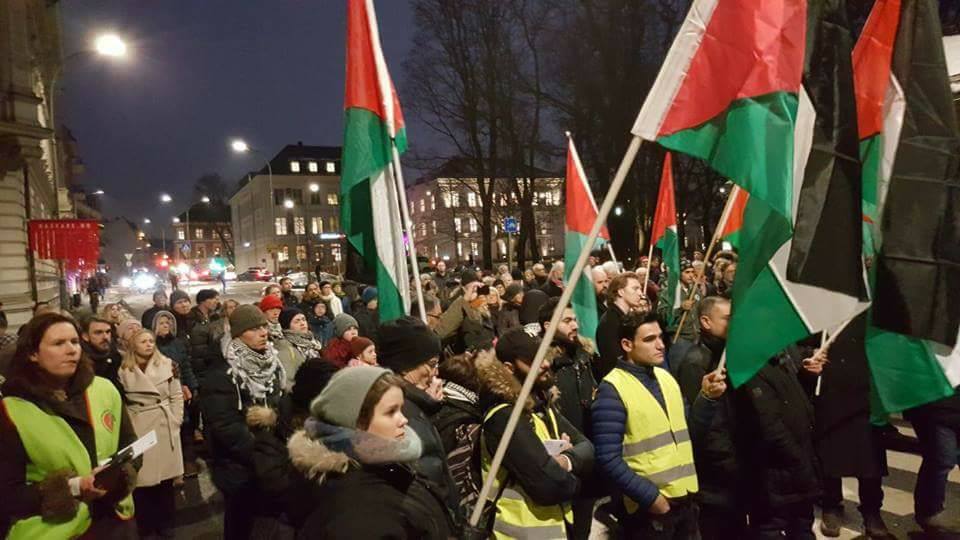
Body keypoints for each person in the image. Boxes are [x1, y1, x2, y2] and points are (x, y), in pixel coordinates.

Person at [0, 313, 138, 539]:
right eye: (58, 343)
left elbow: (130, 444)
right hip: (55, 532)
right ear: (33, 353)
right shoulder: (11, 410)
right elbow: (7, 495)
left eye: (74, 342)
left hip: (116, 524)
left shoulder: (104, 389)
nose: (71, 349)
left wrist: (119, 474)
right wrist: (73, 488)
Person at [591, 311, 725, 539]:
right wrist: (651, 498)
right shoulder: (612, 389)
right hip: (649, 512)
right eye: (649, 339)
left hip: (685, 500)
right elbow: (607, 457)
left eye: (661, 337)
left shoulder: (666, 378)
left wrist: (707, 398)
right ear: (627, 344)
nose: (660, 345)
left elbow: (688, 432)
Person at [287, 367, 454, 538]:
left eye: (401, 409)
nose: (404, 420)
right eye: (391, 412)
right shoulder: (356, 509)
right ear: (356, 422)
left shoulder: (385, 467)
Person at [480, 327, 594, 538]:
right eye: (532, 360)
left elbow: (588, 448)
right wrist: (581, 481)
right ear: (509, 367)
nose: (545, 364)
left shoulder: (541, 405)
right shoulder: (504, 416)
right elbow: (549, 485)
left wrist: (564, 461)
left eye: (544, 355)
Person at [201, 304, 288, 540]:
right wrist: (262, 455)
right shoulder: (222, 373)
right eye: (254, 328)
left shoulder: (271, 363)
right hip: (239, 467)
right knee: (243, 525)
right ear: (239, 333)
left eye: (263, 327)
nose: (263, 333)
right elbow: (225, 425)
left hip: (269, 463)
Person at [812, 314, 893, 538]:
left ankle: (872, 511)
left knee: (870, 455)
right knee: (830, 449)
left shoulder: (875, 301)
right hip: (831, 383)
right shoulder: (822, 303)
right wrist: (809, 356)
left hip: (868, 386)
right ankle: (831, 503)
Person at [674, 296, 745, 539]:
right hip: (717, 471)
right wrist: (727, 460)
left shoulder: (727, 354)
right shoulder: (696, 362)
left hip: (735, 462)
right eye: (726, 318)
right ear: (706, 321)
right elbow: (703, 422)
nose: (733, 323)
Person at [377, 317, 459, 518]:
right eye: (431, 364)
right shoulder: (402, 413)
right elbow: (426, 480)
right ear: (405, 365)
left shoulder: (409, 404)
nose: (435, 372)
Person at [737, 340, 820, 539]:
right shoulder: (751, 366)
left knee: (802, 525)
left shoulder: (780, 359)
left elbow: (795, 402)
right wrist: (800, 461)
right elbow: (770, 426)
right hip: (777, 474)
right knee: (774, 528)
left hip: (797, 471)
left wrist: (808, 375)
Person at [539, 298, 600, 539]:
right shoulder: (542, 364)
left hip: (587, 450)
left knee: (584, 517)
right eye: (567, 321)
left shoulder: (584, 354)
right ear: (548, 325)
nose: (574, 325)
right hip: (562, 452)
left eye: (575, 319)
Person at [118, 329, 184, 539]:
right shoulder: (123, 370)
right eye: (143, 341)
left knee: (165, 481)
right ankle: (146, 524)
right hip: (139, 425)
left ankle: (165, 524)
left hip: (164, 424)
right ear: (133, 345)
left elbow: (176, 394)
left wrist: (176, 420)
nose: (149, 344)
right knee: (141, 479)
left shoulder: (167, 365)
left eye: (151, 341)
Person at [904, 386, 960, 534]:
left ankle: (930, 515)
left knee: (940, 459)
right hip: (933, 403)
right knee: (941, 459)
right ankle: (930, 514)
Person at [153, 310, 200, 477]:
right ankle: (171, 467)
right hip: (162, 393)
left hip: (181, 390)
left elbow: (186, 365)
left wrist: (191, 386)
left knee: (185, 427)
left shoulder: (177, 343)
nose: (166, 326)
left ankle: (188, 462)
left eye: (168, 323)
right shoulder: (152, 345)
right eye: (162, 323)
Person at [596, 272, 645, 379]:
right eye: (635, 289)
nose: (640, 293)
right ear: (621, 292)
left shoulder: (625, 318)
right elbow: (614, 360)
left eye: (640, 289)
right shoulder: (610, 322)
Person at [276, 308, 318, 390]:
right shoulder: (286, 347)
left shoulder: (313, 343)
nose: (302, 323)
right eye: (297, 321)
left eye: (303, 319)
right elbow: (288, 380)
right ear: (287, 326)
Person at [188, 289, 225, 383]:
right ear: (202, 300)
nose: (216, 301)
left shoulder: (214, 317)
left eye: (217, 299)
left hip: (214, 361)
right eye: (213, 299)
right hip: (198, 363)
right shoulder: (192, 317)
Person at [80, 315, 123, 391]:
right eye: (98, 333)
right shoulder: (80, 361)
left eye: (108, 332)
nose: (105, 337)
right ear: (85, 336)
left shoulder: (116, 357)